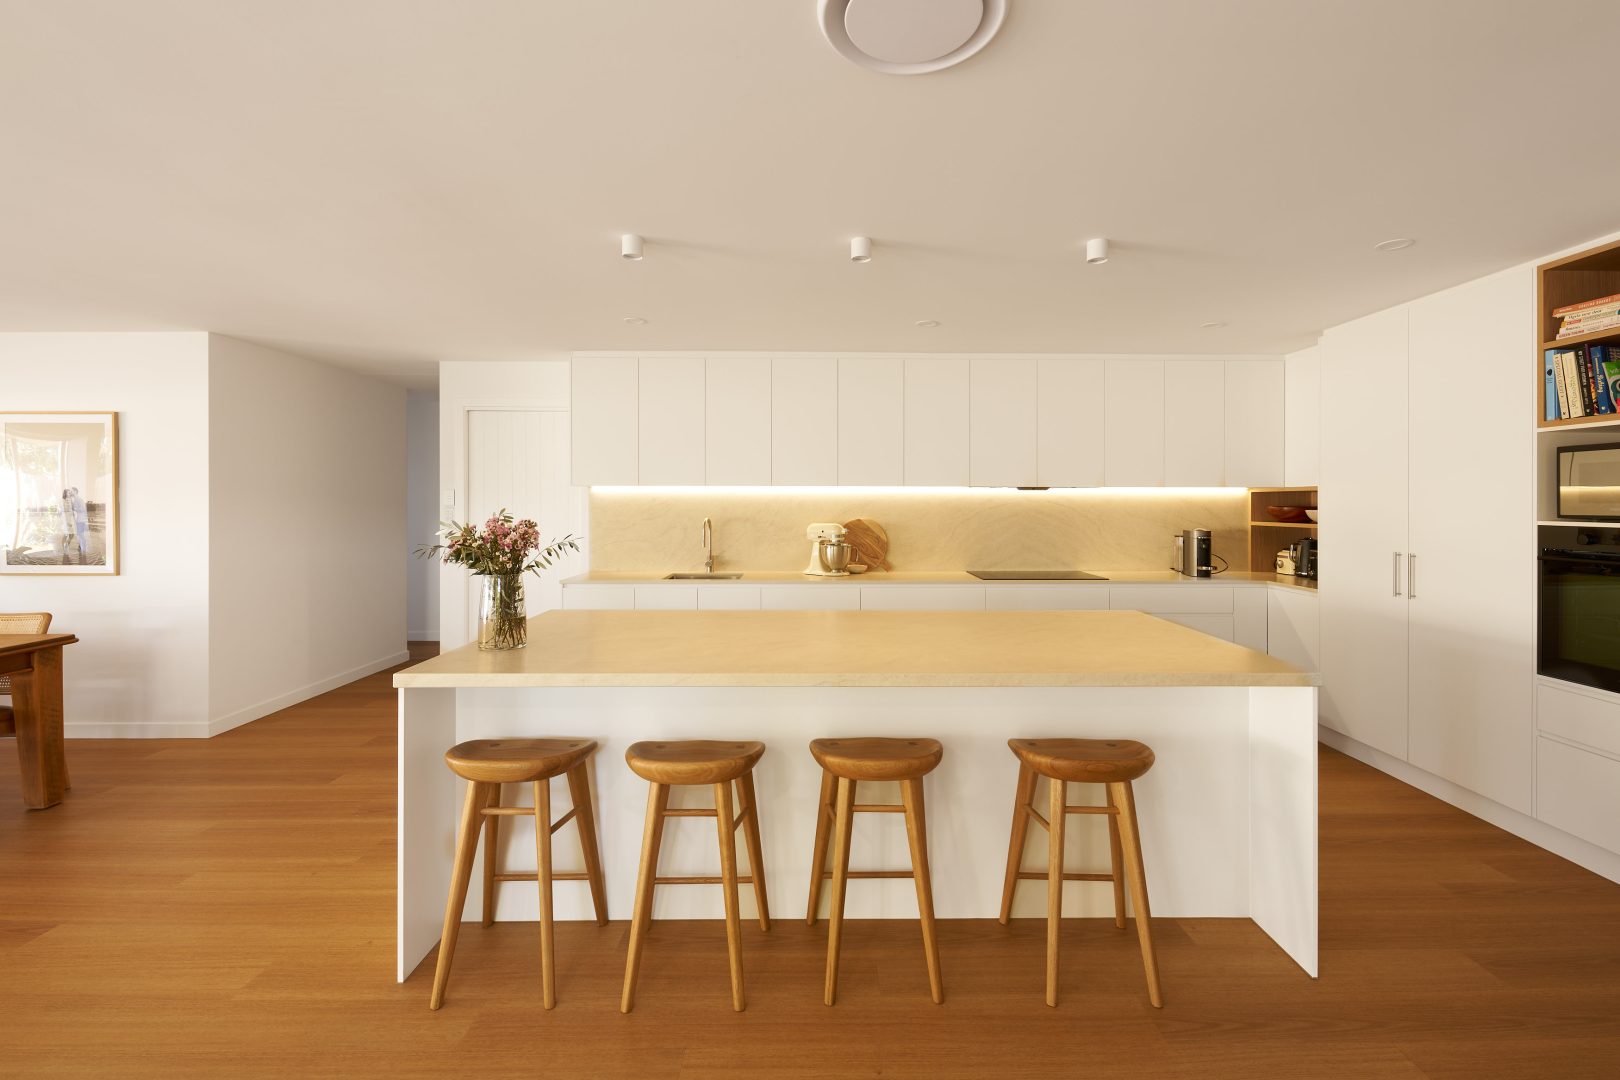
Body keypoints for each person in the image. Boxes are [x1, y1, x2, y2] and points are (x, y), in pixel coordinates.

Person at [62, 487, 89, 563]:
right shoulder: (71, 500)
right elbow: (65, 512)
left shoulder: (79, 499)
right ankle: (79, 550)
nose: (70, 493)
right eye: (69, 492)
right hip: (74, 521)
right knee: (75, 535)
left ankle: (83, 551)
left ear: (75, 492)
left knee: (80, 535)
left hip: (80, 520)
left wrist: (75, 509)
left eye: (71, 491)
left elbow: (83, 509)